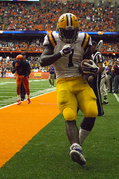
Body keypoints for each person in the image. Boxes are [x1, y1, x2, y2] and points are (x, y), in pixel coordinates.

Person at [39, 13, 99, 166]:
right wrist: (59, 53)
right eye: (66, 32)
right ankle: (76, 147)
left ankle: (78, 144)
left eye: (72, 32)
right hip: (63, 80)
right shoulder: (52, 39)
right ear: (59, 30)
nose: (69, 34)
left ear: (77, 30)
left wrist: (91, 68)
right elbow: (42, 61)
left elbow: (87, 60)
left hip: (80, 80)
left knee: (92, 111)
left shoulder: (84, 39)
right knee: (69, 114)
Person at [89, 40, 106, 114]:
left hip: (96, 76)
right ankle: (95, 108)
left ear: (95, 46)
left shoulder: (98, 55)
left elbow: (101, 67)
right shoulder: (93, 55)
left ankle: (100, 111)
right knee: (93, 92)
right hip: (93, 75)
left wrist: (94, 75)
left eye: (91, 46)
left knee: (97, 92)